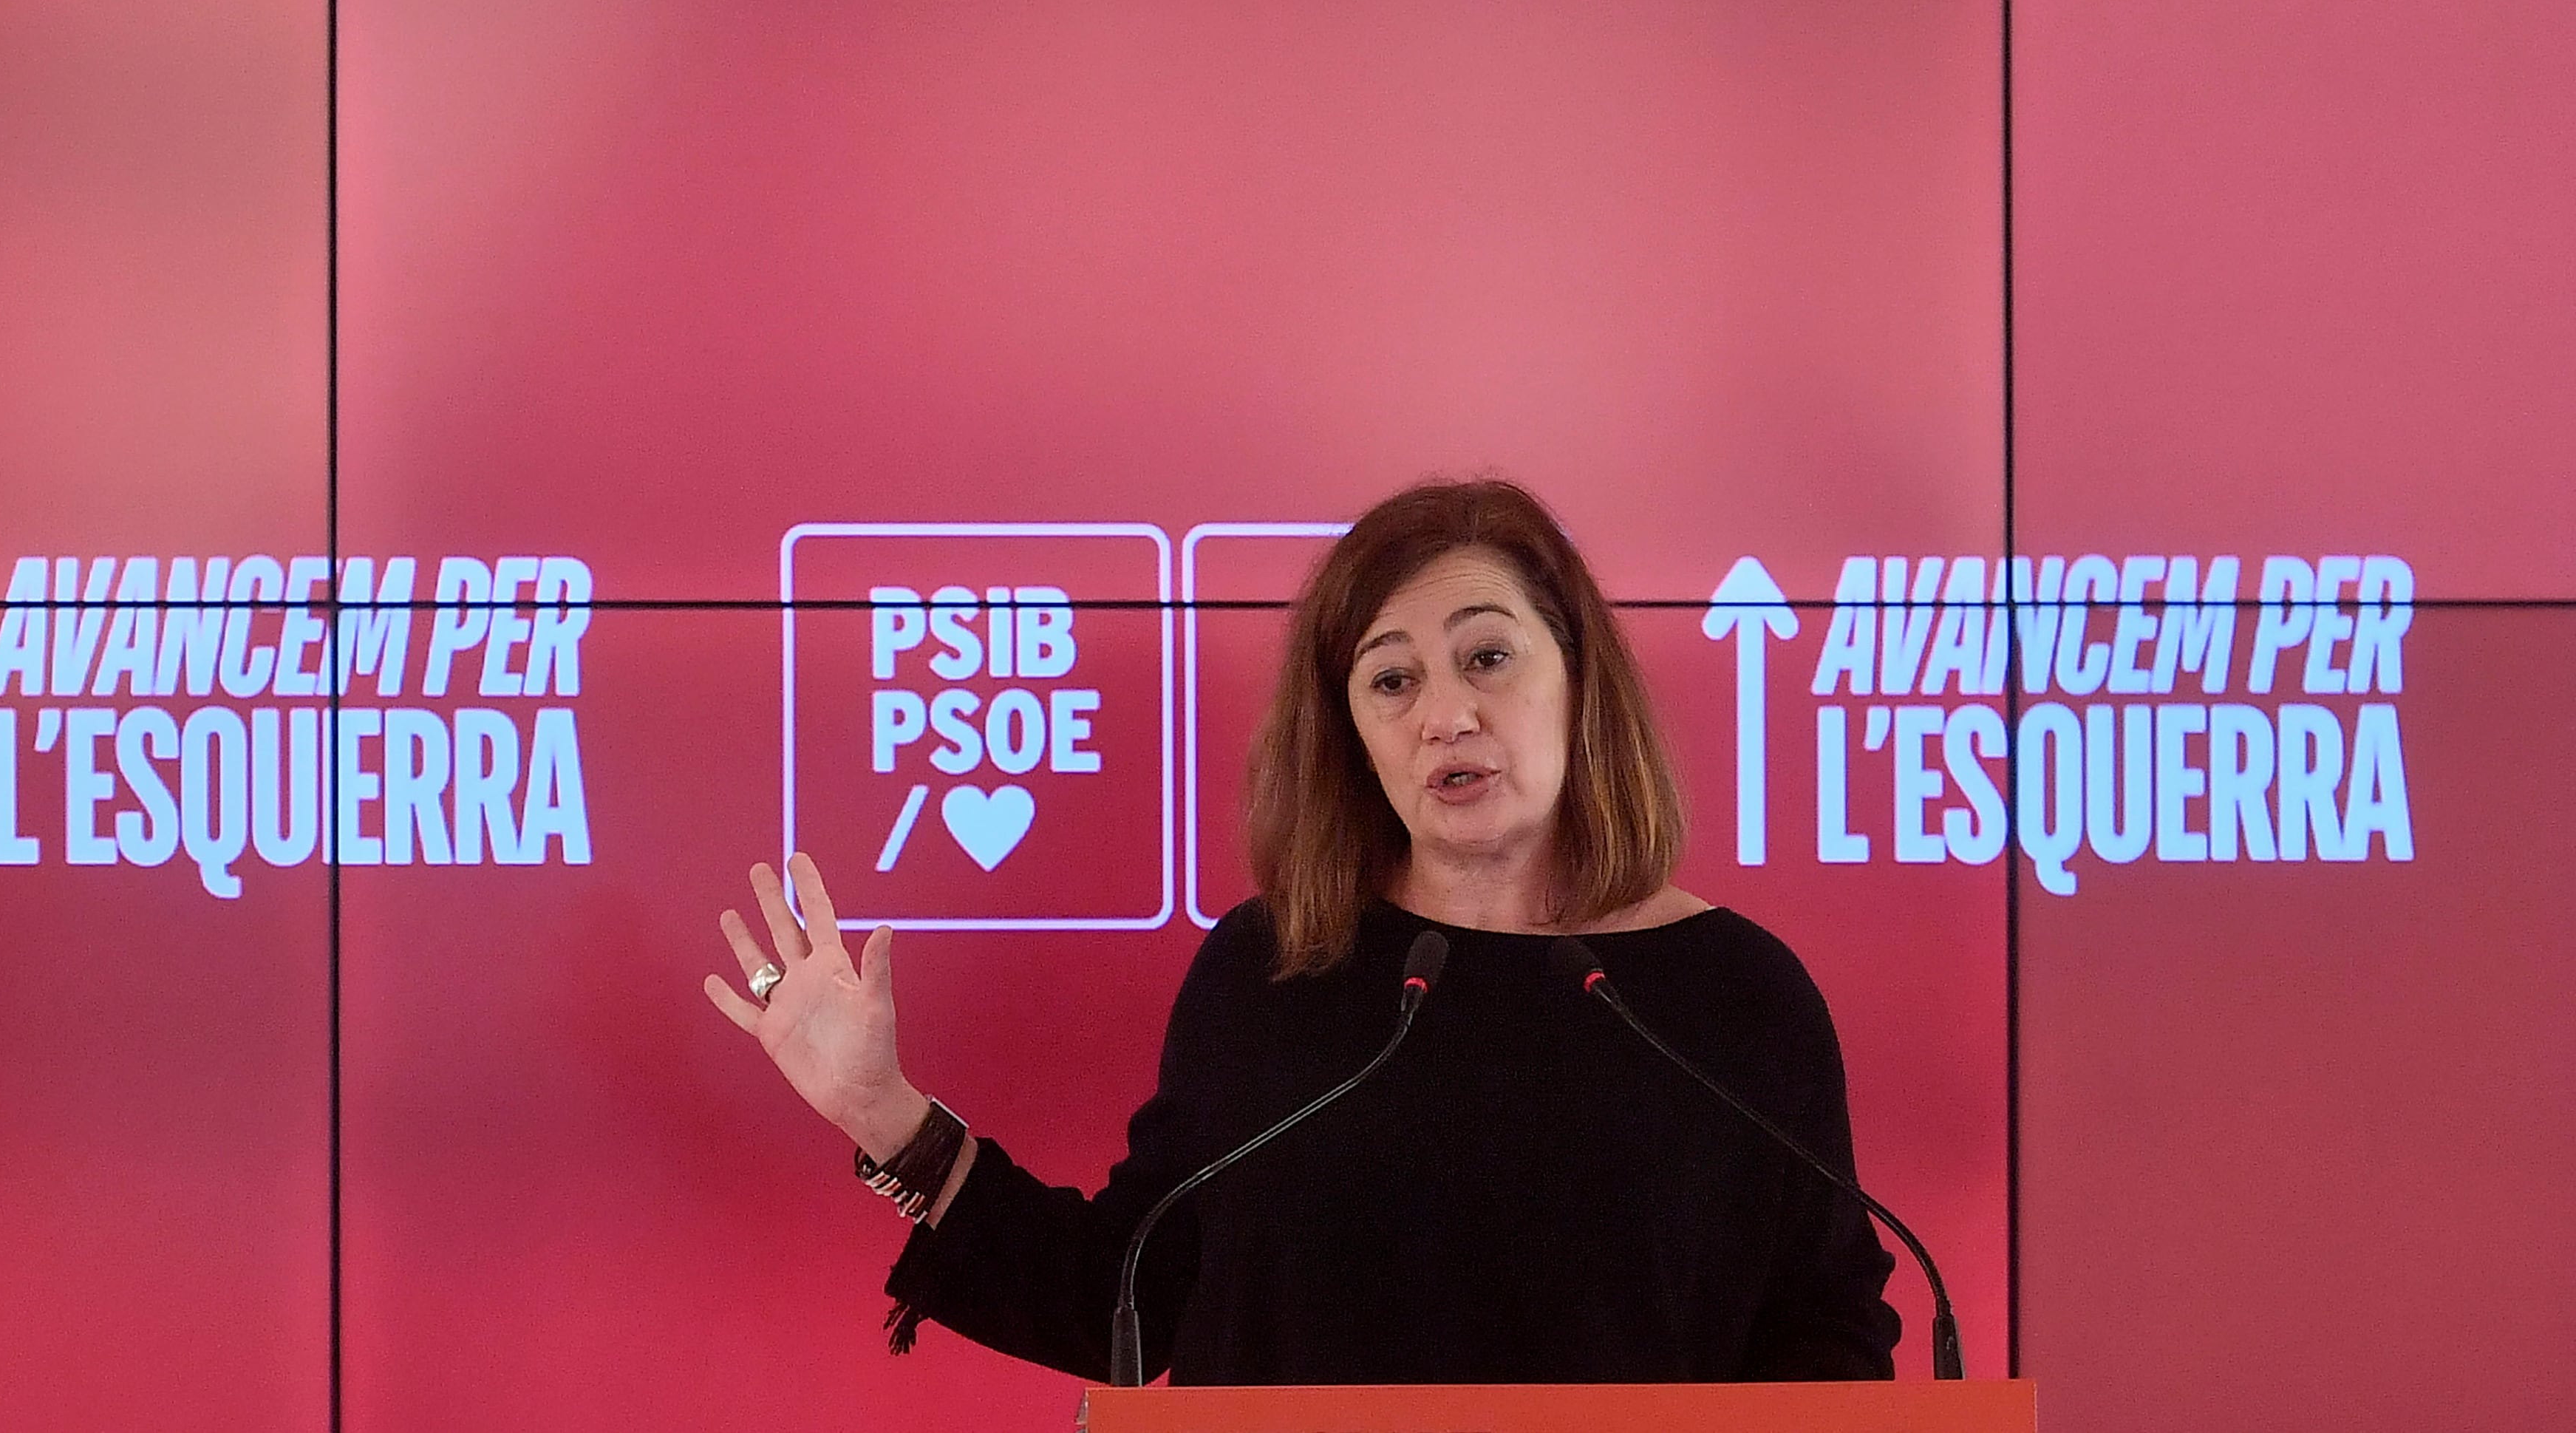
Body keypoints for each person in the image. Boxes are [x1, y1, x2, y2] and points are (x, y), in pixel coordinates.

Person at [702, 477, 1903, 1383]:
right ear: (1353, 734)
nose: (1447, 713)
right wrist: (886, 1118)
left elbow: (1830, 1346)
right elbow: (1129, 1293)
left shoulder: (1735, 998)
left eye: (1488, 653)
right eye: (1392, 680)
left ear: (1580, 680)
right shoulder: (1273, 971)